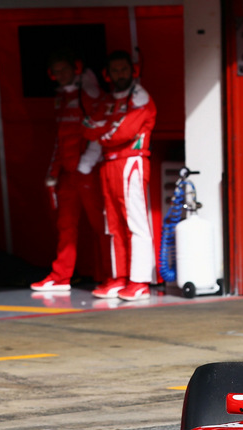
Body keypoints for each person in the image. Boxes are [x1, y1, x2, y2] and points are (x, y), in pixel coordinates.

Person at [30, 50, 107, 293]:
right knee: (65, 227)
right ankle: (60, 277)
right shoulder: (61, 98)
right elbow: (59, 139)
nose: (60, 75)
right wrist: (53, 172)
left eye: (64, 69)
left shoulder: (90, 93)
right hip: (67, 174)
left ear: (76, 68)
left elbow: (99, 130)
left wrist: (85, 165)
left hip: (88, 172)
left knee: (100, 225)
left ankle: (111, 276)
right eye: (56, 71)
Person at [85, 50, 156, 301]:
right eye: (115, 70)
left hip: (131, 162)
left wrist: (103, 134)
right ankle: (118, 277)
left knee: (135, 222)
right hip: (108, 164)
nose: (120, 74)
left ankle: (139, 281)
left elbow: (121, 133)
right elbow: (89, 127)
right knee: (112, 224)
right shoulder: (107, 100)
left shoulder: (140, 96)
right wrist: (103, 133)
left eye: (123, 69)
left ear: (133, 70)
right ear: (107, 74)